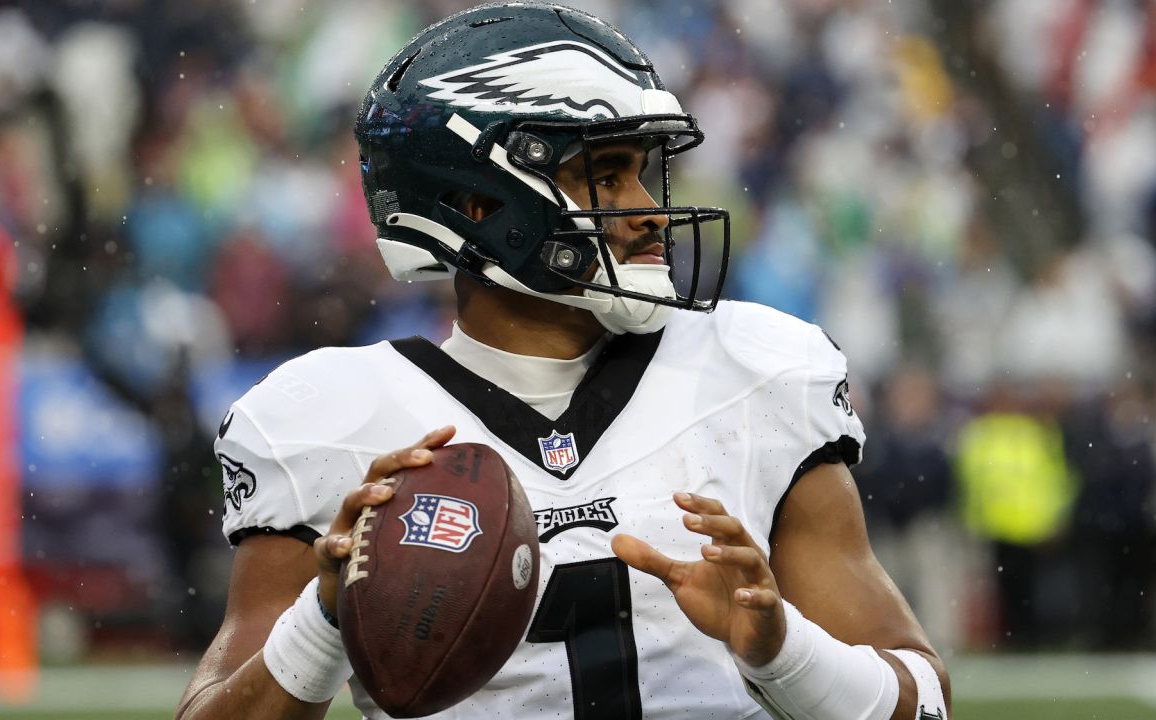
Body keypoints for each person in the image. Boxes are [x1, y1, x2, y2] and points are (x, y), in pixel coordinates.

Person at [175, 4, 951, 719]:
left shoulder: (758, 375)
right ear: (480, 205)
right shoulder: (326, 423)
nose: (647, 208)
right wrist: (324, 620)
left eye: (643, 171)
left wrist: (782, 651)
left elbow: (925, 705)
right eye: (606, 176)